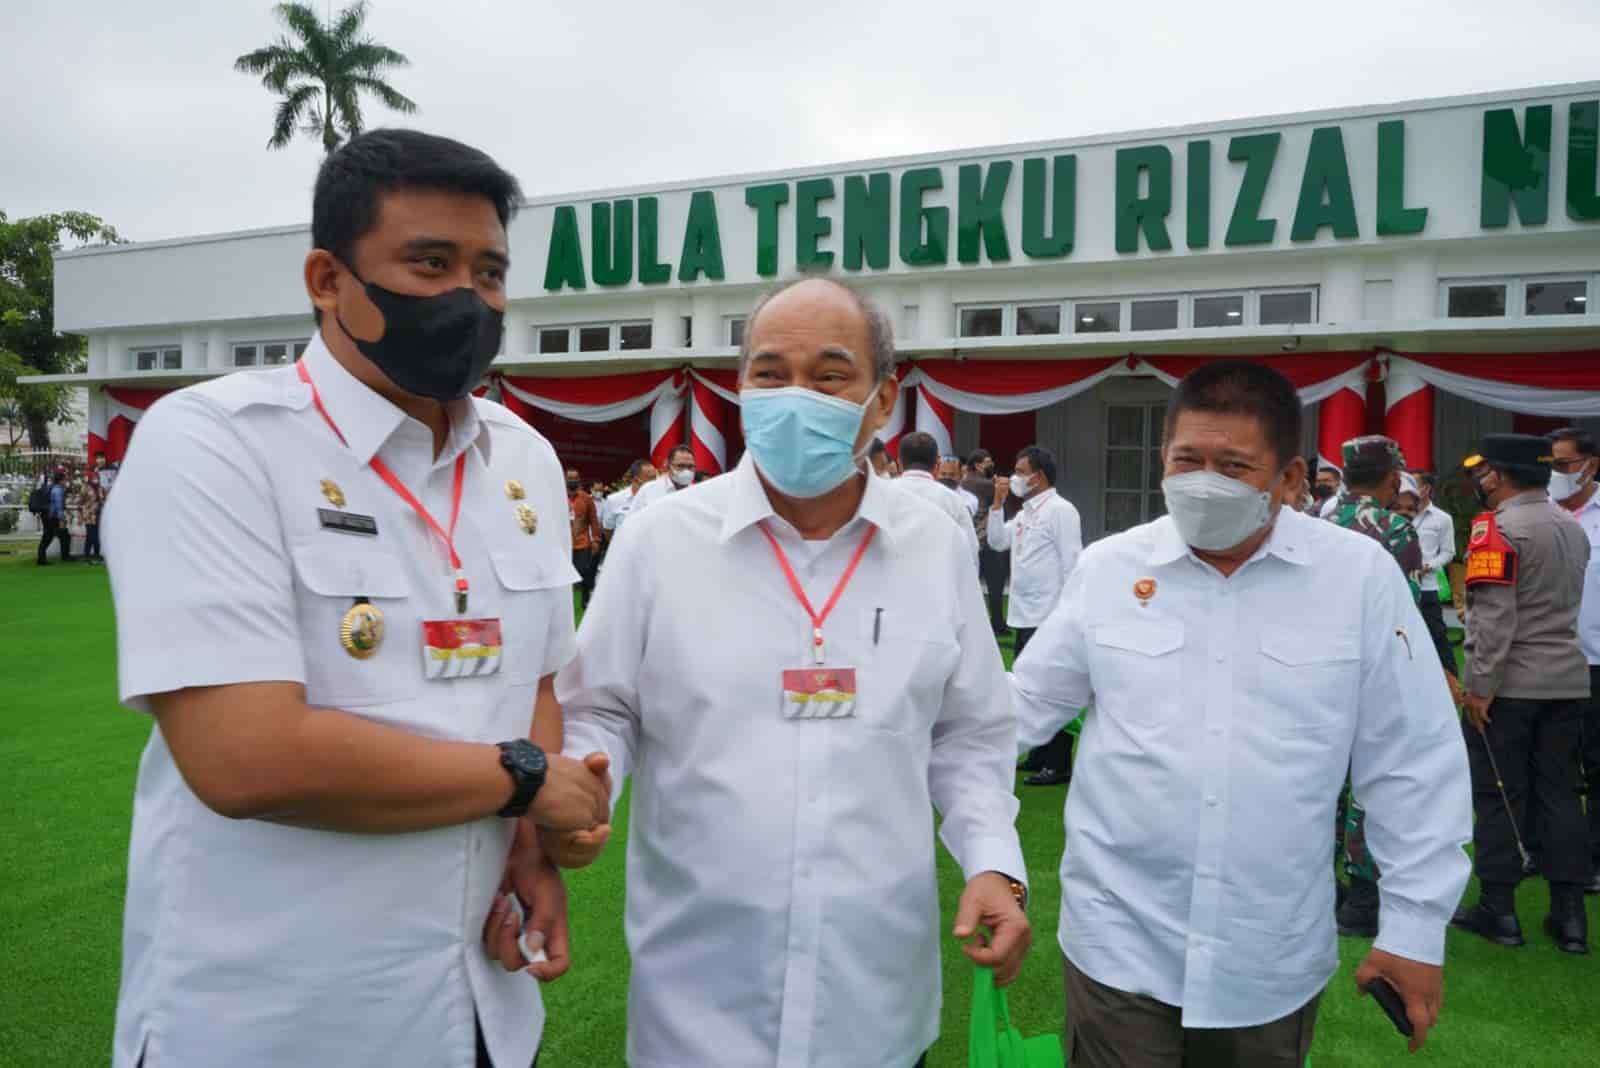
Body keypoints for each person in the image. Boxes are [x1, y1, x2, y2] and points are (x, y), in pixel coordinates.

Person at [100, 129, 614, 1068]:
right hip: (279, 1019)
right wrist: (528, 781)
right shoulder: (216, 443)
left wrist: (530, 845)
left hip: (480, 1011)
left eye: (490, 272)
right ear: (328, 279)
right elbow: (246, 758)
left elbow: (537, 679)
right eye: (431, 264)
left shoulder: (524, 459)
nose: (467, 298)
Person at [558, 276, 1030, 1068]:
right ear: (741, 388)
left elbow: (969, 733)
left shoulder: (932, 546)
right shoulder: (660, 540)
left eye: (829, 375)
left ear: (883, 401)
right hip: (697, 1004)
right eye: (770, 374)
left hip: (874, 1006)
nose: (795, 397)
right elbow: (601, 708)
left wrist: (992, 858)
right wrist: (582, 785)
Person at [1011, 361, 1472, 1066]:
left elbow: (1413, 760)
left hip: (1267, 957)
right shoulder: (1110, 569)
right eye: (1186, 460)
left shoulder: (1356, 578)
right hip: (1119, 942)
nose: (1204, 483)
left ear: (1289, 478)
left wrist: (1414, 928)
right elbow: (1020, 708)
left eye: (1233, 466)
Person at [1450, 434, 1593, 954]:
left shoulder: (1496, 528)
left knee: (1497, 795)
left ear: (1498, 475)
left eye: (1484, 470)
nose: (1480, 479)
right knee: (1560, 794)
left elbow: (1493, 619)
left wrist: (1479, 687)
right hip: (1567, 680)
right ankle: (1570, 915)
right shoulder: (1570, 526)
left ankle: (1499, 908)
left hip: (1511, 686)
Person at [1322, 437, 1431, 937]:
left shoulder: (1316, 519)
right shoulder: (1396, 528)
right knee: (1372, 783)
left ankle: (1321, 889)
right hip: (1372, 674)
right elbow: (1404, 612)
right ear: (1391, 478)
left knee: (1323, 781)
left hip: (1315, 672)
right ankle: (1363, 901)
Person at [988, 445, 1082, 786]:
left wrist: (1069, 613)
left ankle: (1058, 762)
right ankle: (1037, 753)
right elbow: (997, 541)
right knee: (1027, 689)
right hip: (1023, 613)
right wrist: (997, 504)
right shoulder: (1025, 513)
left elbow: (1072, 562)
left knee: (1052, 689)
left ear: (1038, 477)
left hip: (1049, 614)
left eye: (1020, 471)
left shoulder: (1060, 510)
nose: (1014, 478)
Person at [1548, 428, 1600, 895]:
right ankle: (1550, 853)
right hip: (1547, 662)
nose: (1557, 474)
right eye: (1551, 465)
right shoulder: (1540, 512)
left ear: (1591, 465)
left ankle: (1594, 859)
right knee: (1551, 766)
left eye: (1564, 465)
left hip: (1597, 660)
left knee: (1597, 763)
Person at [894, 431, 981, 570]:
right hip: (938, 578)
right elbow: (970, 553)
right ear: (938, 464)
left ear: (899, 463)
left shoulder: (881, 494)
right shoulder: (954, 501)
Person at [1411, 470, 1460, 677]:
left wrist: (1429, 566)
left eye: (1413, 484)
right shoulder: (1396, 514)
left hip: (1427, 586)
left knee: (1437, 635)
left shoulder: (1442, 518)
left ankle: (1453, 682)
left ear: (1426, 489)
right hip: (1400, 584)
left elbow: (1449, 552)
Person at [964, 450, 1011, 636]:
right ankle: (997, 625)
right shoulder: (982, 484)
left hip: (972, 542)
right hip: (988, 541)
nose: (991, 465)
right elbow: (1002, 494)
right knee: (995, 586)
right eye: (988, 462)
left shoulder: (964, 482)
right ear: (978, 465)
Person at [567, 467, 602, 609]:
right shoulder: (558, 496)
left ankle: (585, 600)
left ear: (579, 480)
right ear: (565, 480)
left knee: (584, 572)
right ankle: (565, 604)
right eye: (570, 479)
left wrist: (596, 540)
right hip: (564, 544)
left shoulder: (586, 498)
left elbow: (594, 521)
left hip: (582, 542)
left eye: (575, 478)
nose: (573, 481)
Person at [630, 443, 696, 515]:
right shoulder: (649, 490)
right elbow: (632, 519)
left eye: (690, 466)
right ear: (668, 465)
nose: (686, 470)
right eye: (680, 466)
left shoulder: (696, 493)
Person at [601, 458, 655, 534]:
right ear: (636, 479)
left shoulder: (659, 498)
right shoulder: (614, 500)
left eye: (655, 478)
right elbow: (608, 530)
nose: (655, 482)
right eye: (651, 478)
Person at [35, 469, 71, 565]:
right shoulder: (58, 490)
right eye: (65, 479)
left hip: (47, 516)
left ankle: (43, 557)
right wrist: (61, 519)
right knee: (53, 536)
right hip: (52, 517)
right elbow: (58, 506)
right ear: (61, 480)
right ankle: (63, 556)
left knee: (60, 536)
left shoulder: (51, 488)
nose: (66, 481)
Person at [80, 472, 105, 563]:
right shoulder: (85, 488)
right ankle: (90, 555)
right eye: (94, 478)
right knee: (91, 536)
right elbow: (81, 501)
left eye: (97, 477)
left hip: (98, 514)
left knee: (95, 536)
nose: (96, 479)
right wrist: (83, 512)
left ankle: (93, 554)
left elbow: (102, 500)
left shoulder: (100, 488)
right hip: (89, 515)